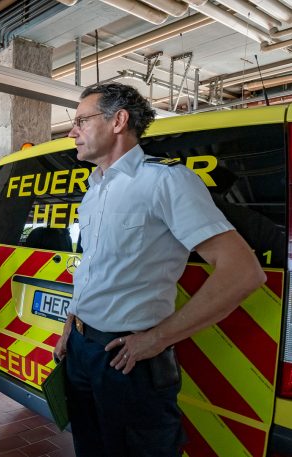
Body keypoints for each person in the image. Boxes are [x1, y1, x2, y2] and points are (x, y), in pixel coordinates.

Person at [53, 83, 265, 456]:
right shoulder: (95, 188)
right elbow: (98, 265)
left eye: (81, 120)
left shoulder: (166, 181)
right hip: (81, 348)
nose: (72, 131)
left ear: (118, 121)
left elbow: (243, 271)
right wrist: (73, 321)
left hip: (126, 357)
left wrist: (159, 338)